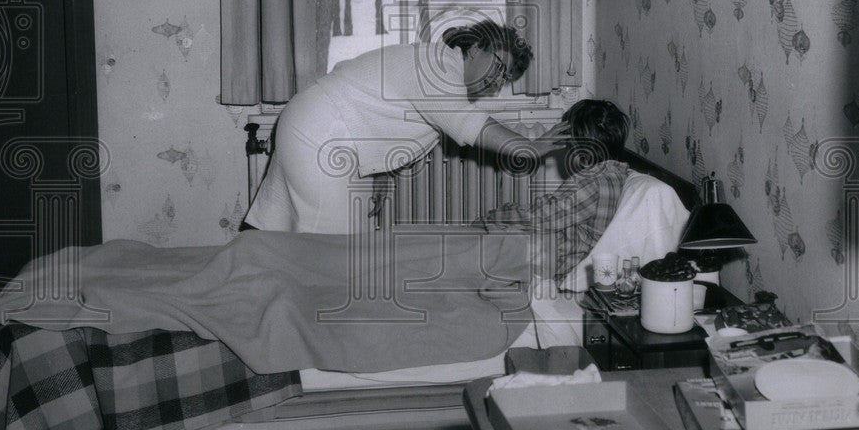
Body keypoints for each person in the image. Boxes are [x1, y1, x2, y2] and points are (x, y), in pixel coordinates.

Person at [244, 20, 567, 234]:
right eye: (498, 66)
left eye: (504, 78)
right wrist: (531, 146)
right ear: (476, 47)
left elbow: (382, 111)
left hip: (310, 125)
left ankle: (237, 304)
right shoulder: (440, 66)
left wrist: (381, 173)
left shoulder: (437, 65)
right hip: (322, 135)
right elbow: (471, 124)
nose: (496, 82)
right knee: (338, 255)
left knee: (271, 234)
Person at [482, 99, 632, 282]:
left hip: (563, 263)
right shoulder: (618, 175)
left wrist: (496, 216)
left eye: (569, 145)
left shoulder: (591, 184)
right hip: (565, 252)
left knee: (486, 242)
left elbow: (540, 218)